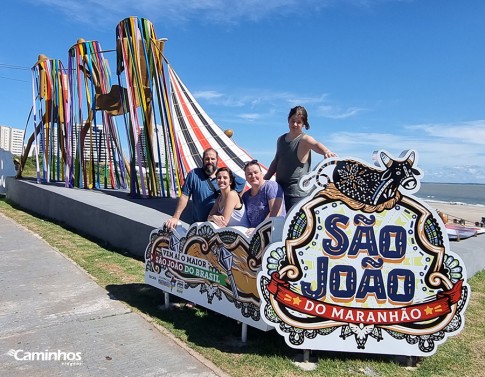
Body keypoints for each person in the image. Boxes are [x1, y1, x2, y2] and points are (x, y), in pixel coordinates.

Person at [264, 106, 337, 210]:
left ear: (303, 124)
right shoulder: (280, 139)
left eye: (298, 122)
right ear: (288, 120)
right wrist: (265, 179)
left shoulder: (304, 139)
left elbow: (316, 144)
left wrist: (326, 151)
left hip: (297, 194)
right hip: (279, 191)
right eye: (292, 121)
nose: (294, 124)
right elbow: (276, 160)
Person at [164, 148, 245, 230]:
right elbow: (185, 196)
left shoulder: (223, 175)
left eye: (212, 159)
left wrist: (233, 204)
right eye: (207, 159)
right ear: (202, 160)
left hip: (218, 227)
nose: (210, 161)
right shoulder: (194, 174)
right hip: (199, 225)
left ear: (217, 160)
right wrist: (175, 217)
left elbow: (242, 183)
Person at [242, 160, 285, 233]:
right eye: (249, 174)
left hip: (273, 232)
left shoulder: (271, 186)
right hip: (253, 234)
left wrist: (258, 229)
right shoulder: (246, 196)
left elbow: (276, 212)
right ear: (246, 177)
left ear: (261, 173)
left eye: (256, 172)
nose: (253, 176)